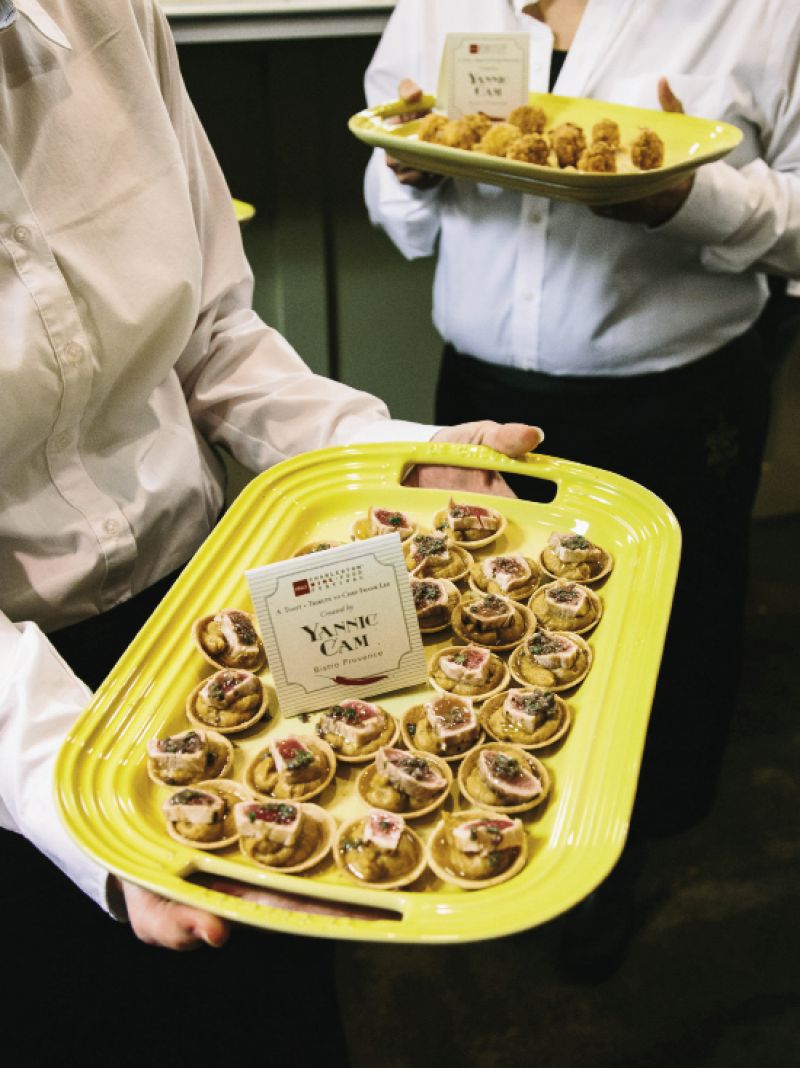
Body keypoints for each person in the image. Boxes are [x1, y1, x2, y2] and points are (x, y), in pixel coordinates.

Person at [0, 1, 542, 1060]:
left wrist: (383, 458)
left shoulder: (105, 13)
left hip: (204, 615)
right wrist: (83, 797)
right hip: (14, 721)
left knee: (275, 1001)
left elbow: (209, 334)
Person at [364, 0, 800, 845]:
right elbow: (394, 181)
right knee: (476, 630)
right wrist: (409, 171)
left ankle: (637, 847)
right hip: (480, 402)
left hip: (676, 405)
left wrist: (692, 200)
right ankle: (491, 831)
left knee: (669, 644)